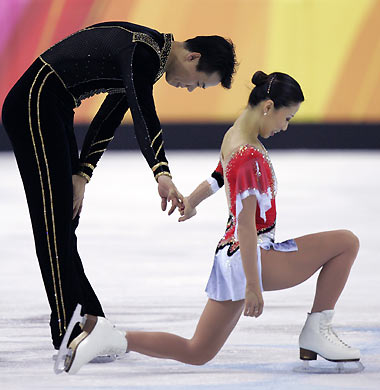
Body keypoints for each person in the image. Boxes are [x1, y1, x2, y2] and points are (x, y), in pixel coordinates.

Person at [58, 70, 362, 374]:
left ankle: (108, 337)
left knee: (197, 351)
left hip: (229, 259)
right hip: (253, 257)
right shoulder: (249, 156)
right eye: (288, 117)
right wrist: (253, 286)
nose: (285, 126)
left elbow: (219, 175)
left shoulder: (235, 136)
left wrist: (191, 200)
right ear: (268, 107)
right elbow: (246, 225)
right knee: (346, 242)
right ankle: (316, 331)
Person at [1, 21, 237, 350]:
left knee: (64, 222)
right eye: (198, 82)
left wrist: (82, 173)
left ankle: (91, 321)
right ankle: (69, 330)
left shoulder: (147, 55)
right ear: (193, 56)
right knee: (53, 224)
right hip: (33, 105)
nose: (190, 89)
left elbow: (111, 115)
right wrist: (161, 172)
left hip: (51, 108)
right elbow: (144, 113)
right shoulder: (143, 51)